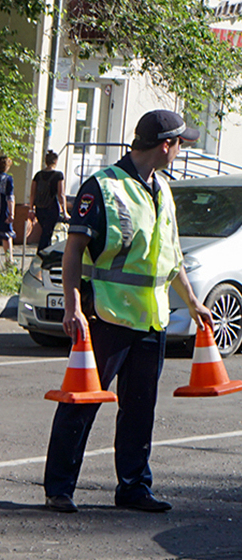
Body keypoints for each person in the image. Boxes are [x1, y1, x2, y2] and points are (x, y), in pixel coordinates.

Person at [43, 109, 215, 514]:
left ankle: (134, 487)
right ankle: (59, 488)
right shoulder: (102, 186)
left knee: (140, 407)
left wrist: (193, 305)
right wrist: (73, 307)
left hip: (151, 320)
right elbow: (74, 250)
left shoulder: (162, 190)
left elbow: (170, 259)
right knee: (82, 402)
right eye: (180, 144)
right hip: (107, 316)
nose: (181, 151)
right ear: (165, 145)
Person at [29, 149, 68, 255]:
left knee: (46, 231)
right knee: (47, 232)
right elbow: (61, 194)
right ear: (55, 161)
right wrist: (65, 211)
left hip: (40, 208)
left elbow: (33, 193)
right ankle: (42, 254)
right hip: (52, 208)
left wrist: (31, 208)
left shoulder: (38, 175)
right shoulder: (58, 175)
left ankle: (45, 253)